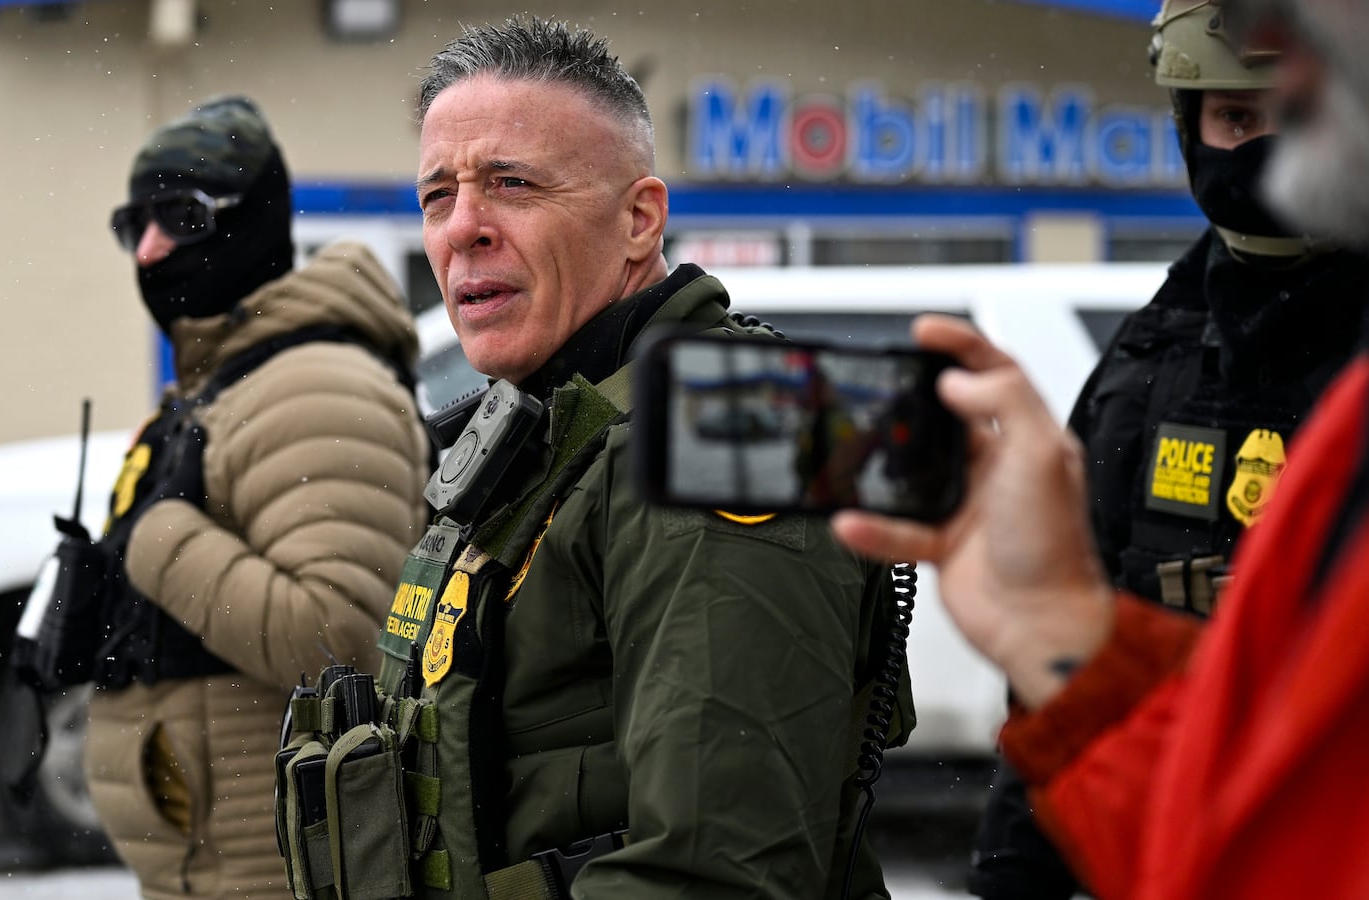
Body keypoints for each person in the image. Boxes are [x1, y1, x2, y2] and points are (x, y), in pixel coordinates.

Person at [282, 17, 913, 900]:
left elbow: (715, 873)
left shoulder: (732, 435)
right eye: (437, 197)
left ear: (638, 219)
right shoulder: (543, 424)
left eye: (512, 184)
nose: (463, 229)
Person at [834, 1, 1369, 896]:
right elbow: (1065, 720)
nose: (1273, 152)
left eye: (1306, 112)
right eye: (1237, 118)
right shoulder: (1152, 355)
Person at [82, 96, 430, 899]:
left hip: (276, 867)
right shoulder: (228, 387)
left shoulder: (314, 387)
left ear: (255, 224)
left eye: (181, 217)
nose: (151, 249)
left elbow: (339, 641)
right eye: (133, 226)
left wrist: (158, 537)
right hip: (218, 859)